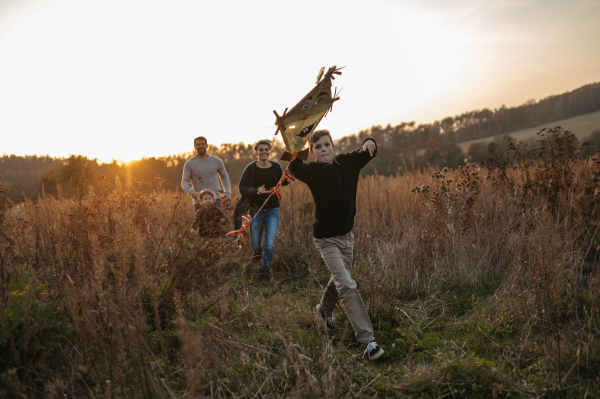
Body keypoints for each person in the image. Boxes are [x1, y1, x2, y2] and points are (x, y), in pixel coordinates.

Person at [288, 130, 384, 361]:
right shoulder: (311, 171)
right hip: (326, 240)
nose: (323, 150)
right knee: (348, 285)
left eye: (326, 145)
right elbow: (294, 166)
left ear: (333, 146)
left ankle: (323, 309)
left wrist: (370, 141)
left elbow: (367, 151)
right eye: (318, 147)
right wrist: (297, 143)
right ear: (312, 152)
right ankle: (369, 341)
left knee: (339, 279)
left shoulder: (347, 163)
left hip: (347, 238)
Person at [238, 139, 290, 281]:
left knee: (269, 244)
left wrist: (288, 179)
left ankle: (265, 272)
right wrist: (256, 190)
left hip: (273, 210)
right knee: (255, 244)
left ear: (270, 150)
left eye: (266, 149)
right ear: (256, 152)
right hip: (256, 210)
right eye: (261, 150)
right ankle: (257, 253)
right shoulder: (251, 168)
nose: (264, 152)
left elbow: (281, 181)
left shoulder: (275, 166)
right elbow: (242, 188)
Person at [182, 136, 231, 211]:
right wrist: (192, 192)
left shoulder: (217, 161)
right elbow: (184, 181)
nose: (200, 146)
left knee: (217, 222)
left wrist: (227, 193)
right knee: (201, 223)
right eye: (198, 145)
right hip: (199, 201)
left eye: (202, 144)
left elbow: (224, 176)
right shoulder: (189, 164)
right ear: (195, 147)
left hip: (215, 200)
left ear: (206, 145)